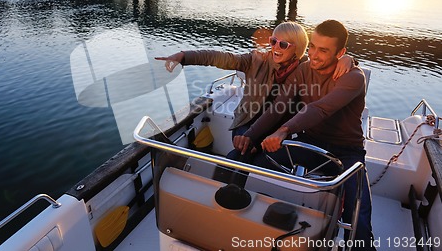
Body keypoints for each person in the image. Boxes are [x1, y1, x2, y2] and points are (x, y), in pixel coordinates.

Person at [236, 19, 376, 250]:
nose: (314, 55)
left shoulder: (353, 77)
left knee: (359, 212)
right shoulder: (303, 69)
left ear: (341, 53)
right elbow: (277, 107)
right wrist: (250, 136)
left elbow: (320, 108)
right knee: (243, 154)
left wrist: (283, 131)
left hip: (347, 152)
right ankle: (231, 209)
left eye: (323, 50)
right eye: (312, 46)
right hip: (309, 142)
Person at [155, 22, 354, 155]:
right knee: (245, 149)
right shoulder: (257, 60)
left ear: (299, 48)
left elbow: (330, 62)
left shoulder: (306, 67)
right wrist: (184, 56)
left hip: (281, 127)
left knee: (263, 152)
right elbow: (220, 57)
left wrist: (349, 59)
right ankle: (232, 194)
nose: (275, 47)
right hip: (248, 121)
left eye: (283, 44)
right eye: (273, 41)